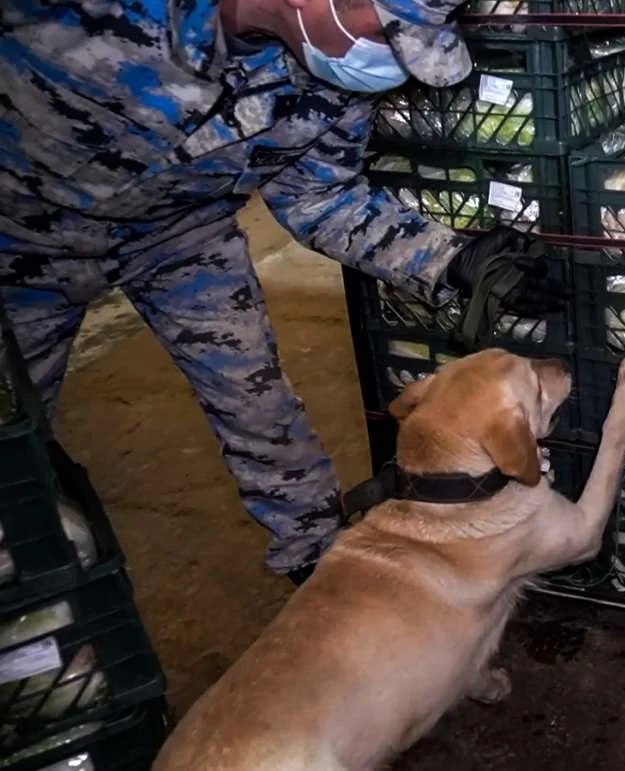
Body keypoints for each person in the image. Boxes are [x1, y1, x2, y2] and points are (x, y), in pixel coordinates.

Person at [0, 0, 562, 584]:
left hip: (179, 238)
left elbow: (320, 196)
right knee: (13, 437)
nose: (393, 58)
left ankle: (320, 565)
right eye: (388, 30)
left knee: (261, 410)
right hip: (18, 244)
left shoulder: (332, 82)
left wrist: (451, 259)